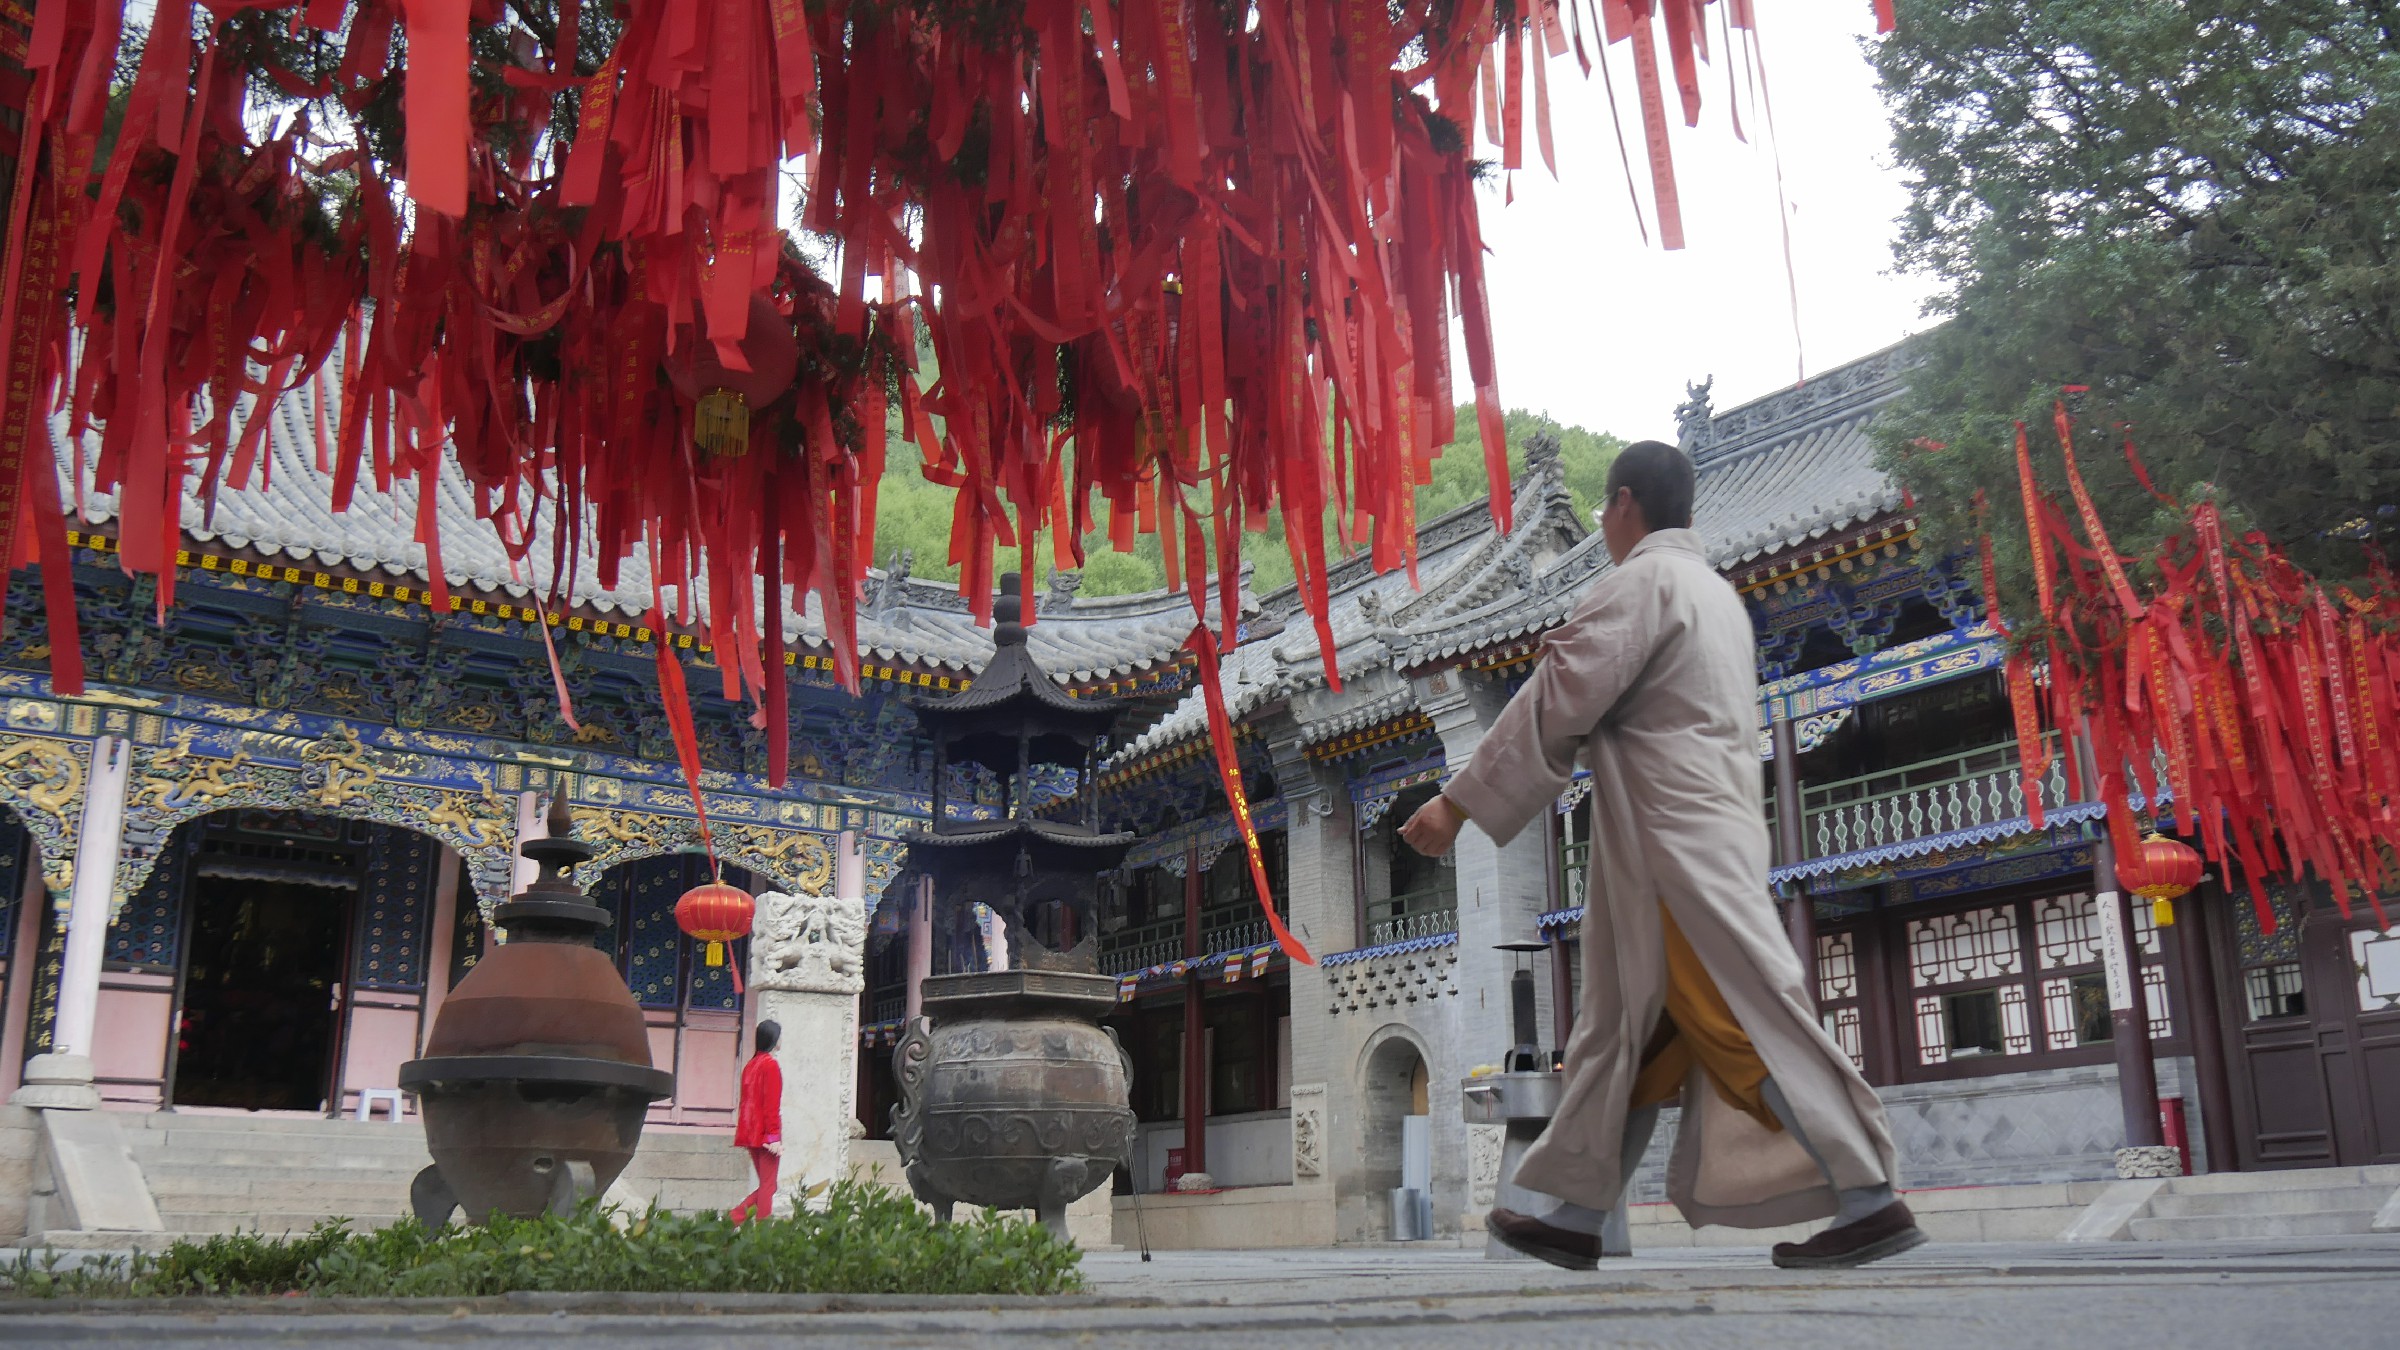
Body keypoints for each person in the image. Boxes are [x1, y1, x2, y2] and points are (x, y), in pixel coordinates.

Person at [1399, 440, 1924, 1271]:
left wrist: (1456, 801)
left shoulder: (1643, 583)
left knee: (1741, 1019)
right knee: (1631, 1032)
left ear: (1624, 505)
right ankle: (1575, 1214)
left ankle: (1868, 1197)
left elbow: (1558, 694)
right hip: (1707, 831)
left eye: (1607, 510)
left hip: (1670, 844)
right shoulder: (1716, 595)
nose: (1605, 523)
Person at [730, 1019, 784, 1224]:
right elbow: (771, 1106)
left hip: (750, 1132)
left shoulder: (751, 1065)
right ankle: (754, 1226)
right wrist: (773, 1138)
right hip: (765, 1134)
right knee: (769, 1186)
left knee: (767, 1185)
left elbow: (747, 1103)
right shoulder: (770, 1065)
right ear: (774, 1039)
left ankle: (735, 1218)